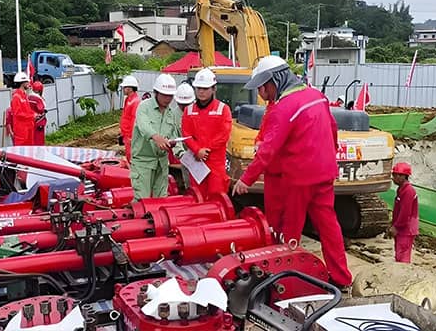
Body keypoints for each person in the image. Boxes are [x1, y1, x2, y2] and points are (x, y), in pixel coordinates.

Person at [232, 55, 352, 289]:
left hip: (298, 178)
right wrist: (329, 155)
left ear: (273, 82)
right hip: (324, 173)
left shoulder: (284, 108)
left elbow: (267, 151)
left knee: (289, 230)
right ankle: (342, 278)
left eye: (262, 88)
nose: (261, 94)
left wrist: (246, 179)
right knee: (329, 227)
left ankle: (285, 278)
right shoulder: (316, 96)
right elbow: (332, 129)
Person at [130, 74, 183, 200]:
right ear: (156, 92)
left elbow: (174, 135)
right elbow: (144, 126)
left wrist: (179, 150)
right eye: (165, 95)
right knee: (142, 200)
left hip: (162, 162)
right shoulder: (144, 107)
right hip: (143, 162)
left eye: (170, 96)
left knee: (161, 199)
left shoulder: (170, 114)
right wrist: (155, 137)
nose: (168, 99)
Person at [181, 68, 232, 197]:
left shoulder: (223, 109)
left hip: (215, 164)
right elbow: (186, 134)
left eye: (205, 88)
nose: (201, 91)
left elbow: (224, 135)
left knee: (217, 198)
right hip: (197, 162)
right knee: (197, 197)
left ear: (214, 89)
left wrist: (205, 149)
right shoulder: (189, 110)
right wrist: (197, 150)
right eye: (198, 88)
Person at [254, 101, 284, 233]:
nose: (260, 92)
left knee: (284, 214)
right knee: (272, 213)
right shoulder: (270, 107)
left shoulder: (282, 108)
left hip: (282, 171)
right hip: (271, 170)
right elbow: (263, 131)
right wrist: (258, 142)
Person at [390, 162, 418, 263]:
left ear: (402, 176)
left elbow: (405, 212)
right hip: (403, 228)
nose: (393, 178)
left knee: (403, 256)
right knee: (399, 254)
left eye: (395, 175)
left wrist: (396, 226)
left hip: (406, 229)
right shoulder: (401, 189)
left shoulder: (408, 191)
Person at [119, 75, 140, 162]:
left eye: (124, 87)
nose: (123, 89)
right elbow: (126, 116)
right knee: (128, 154)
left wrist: (132, 137)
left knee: (131, 155)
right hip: (126, 133)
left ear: (130, 88)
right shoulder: (128, 99)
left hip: (130, 135)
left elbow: (134, 119)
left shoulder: (136, 101)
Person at [10, 72, 35, 146]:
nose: (28, 83)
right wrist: (32, 116)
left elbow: (28, 110)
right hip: (21, 131)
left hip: (28, 129)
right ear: (22, 83)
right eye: (27, 81)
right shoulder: (16, 97)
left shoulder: (24, 96)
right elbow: (18, 114)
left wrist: (34, 115)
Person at [28, 81, 47, 146]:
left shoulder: (29, 97)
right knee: (39, 140)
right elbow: (41, 109)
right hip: (39, 122)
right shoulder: (38, 99)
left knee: (32, 139)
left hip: (30, 121)